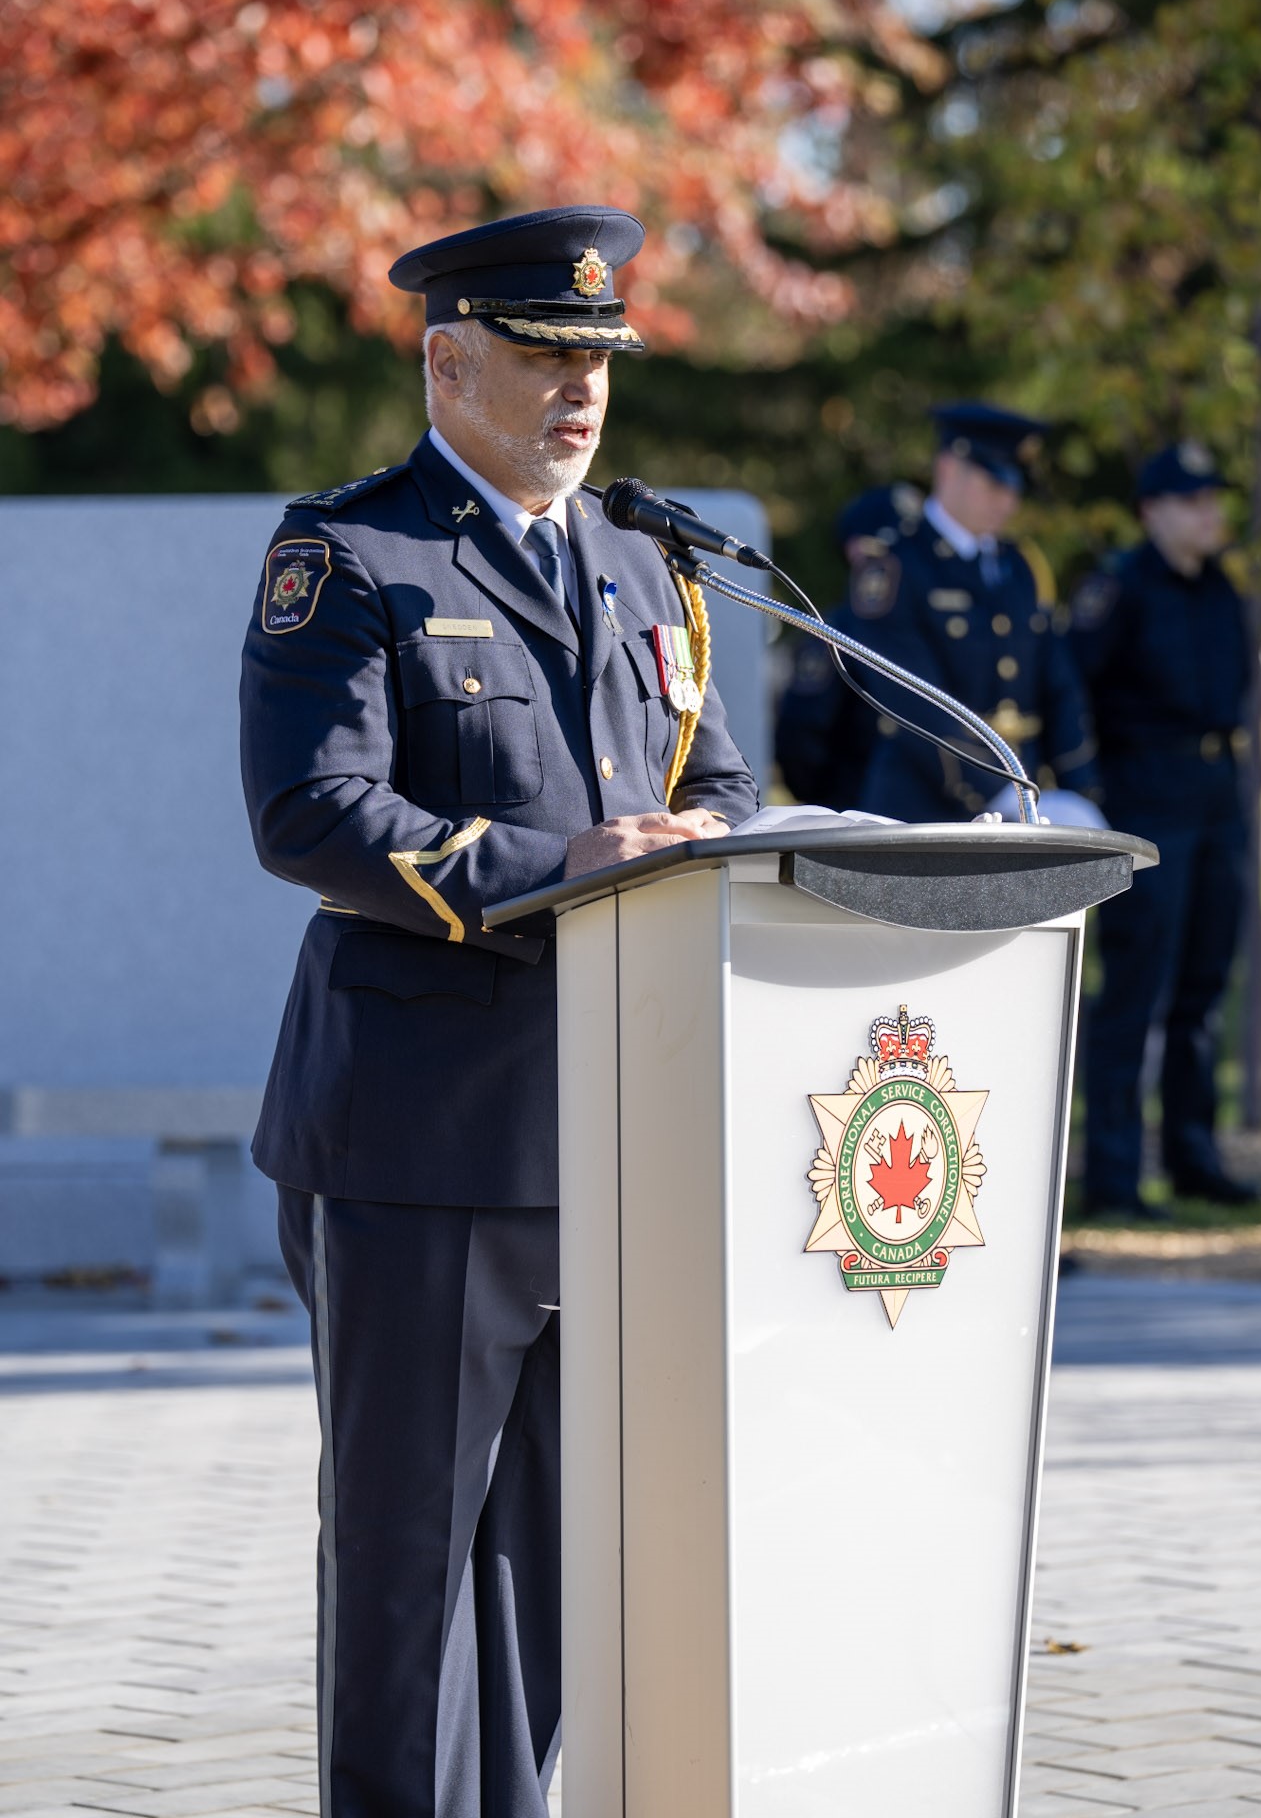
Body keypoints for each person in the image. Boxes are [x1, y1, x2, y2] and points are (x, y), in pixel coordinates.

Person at [239, 206, 759, 1818]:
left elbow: (713, 782)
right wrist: (568, 863)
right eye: (544, 356)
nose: (581, 392)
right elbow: (311, 812)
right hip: (417, 1134)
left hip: (608, 1130)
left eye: (599, 359)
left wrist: (721, 845)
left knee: (543, 1556)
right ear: (446, 360)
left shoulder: (642, 561)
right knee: (409, 1559)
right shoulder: (356, 555)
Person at [1071, 440, 1257, 1217]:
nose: (1209, 512)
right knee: (1138, 986)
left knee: (1203, 984)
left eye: (1213, 497)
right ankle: (1113, 1174)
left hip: (1216, 791)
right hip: (1147, 791)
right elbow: (1072, 685)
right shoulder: (1118, 590)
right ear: (1151, 510)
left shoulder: (1222, 590)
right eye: (1192, 500)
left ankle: (1193, 1154)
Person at [853, 402, 1099, 822]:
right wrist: (996, 792)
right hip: (925, 809)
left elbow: (1057, 685)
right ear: (949, 469)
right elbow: (913, 702)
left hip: (1024, 800)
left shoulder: (1019, 567)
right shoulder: (896, 567)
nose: (1009, 501)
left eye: (1015, 488)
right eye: (994, 484)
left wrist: (1081, 789)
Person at [774, 482, 921, 808]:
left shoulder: (925, 628)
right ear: (858, 553)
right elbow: (800, 738)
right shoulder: (835, 632)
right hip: (858, 814)